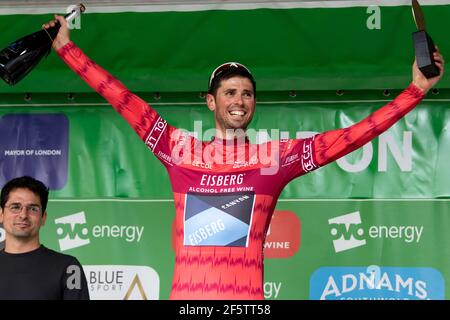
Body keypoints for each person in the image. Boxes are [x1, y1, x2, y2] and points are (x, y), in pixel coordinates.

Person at [44, 15, 444, 300]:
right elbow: (121, 98)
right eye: (230, 92)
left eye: (247, 93)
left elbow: (351, 138)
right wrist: (66, 48)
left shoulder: (273, 157)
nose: (239, 100)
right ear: (210, 101)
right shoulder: (180, 150)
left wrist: (415, 91)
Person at [0, 176, 90, 300]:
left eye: (33, 209)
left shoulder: (70, 268)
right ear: (1, 215)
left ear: (43, 218)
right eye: (15, 207)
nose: (23, 215)